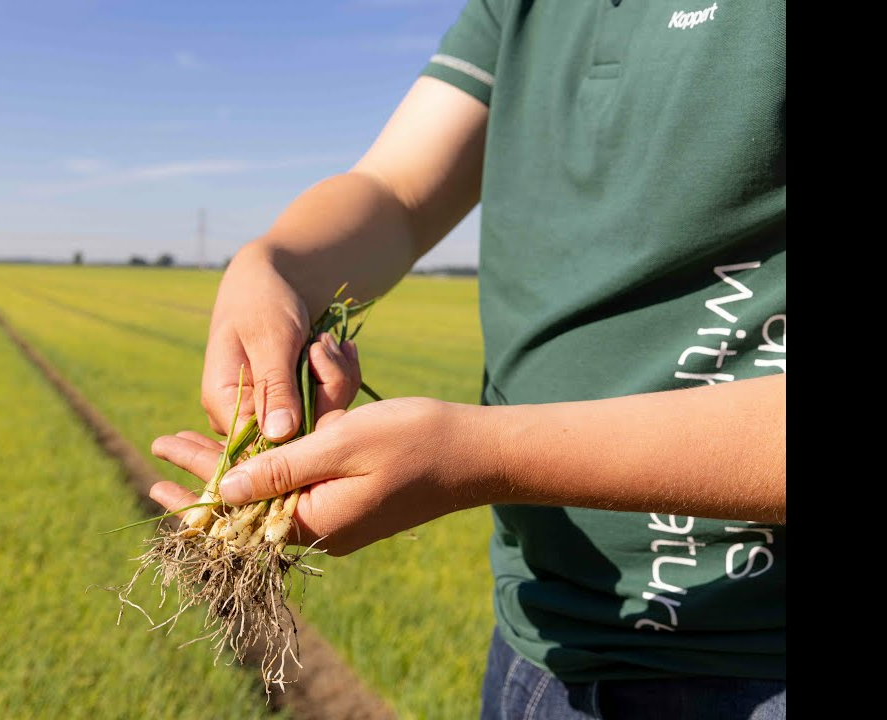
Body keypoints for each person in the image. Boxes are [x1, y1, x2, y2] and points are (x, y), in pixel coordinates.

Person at [150, 2, 786, 717]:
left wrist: (480, 456)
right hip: (539, 635)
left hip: (757, 667)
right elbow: (397, 194)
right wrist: (275, 267)